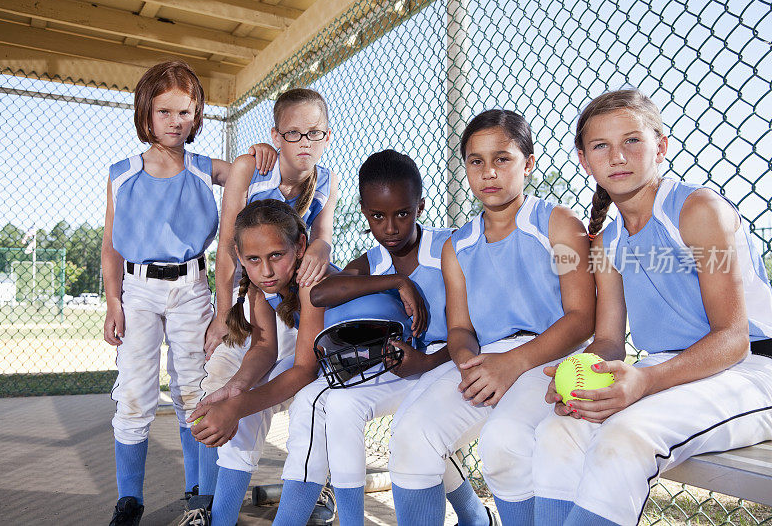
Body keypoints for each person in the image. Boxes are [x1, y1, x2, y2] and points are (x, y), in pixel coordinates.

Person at [531, 89, 772, 526]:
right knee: (558, 431)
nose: (617, 157)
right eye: (600, 146)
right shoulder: (606, 242)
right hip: (673, 367)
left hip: (753, 365)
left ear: (660, 146)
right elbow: (607, 340)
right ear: (585, 161)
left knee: (627, 435)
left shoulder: (697, 210)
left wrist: (646, 381)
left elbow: (734, 338)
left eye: (632, 141)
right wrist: (578, 376)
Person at [388, 110, 596, 525]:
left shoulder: (557, 223)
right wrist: (468, 365)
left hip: (551, 354)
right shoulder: (457, 245)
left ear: (528, 163)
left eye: (502, 158)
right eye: (475, 161)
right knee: (411, 433)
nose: (488, 172)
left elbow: (582, 319)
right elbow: (460, 328)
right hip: (488, 356)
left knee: (504, 442)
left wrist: (513, 364)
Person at [273, 149, 495, 526]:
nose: (390, 228)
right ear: (364, 212)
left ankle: (474, 516)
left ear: (421, 206)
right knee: (338, 405)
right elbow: (320, 293)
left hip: (451, 361)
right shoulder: (376, 260)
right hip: (402, 364)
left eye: (401, 214)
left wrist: (426, 362)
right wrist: (395, 280)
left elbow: (482, 329)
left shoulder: (449, 248)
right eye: (378, 216)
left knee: (421, 432)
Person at [101, 60, 274, 526]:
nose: (175, 121)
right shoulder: (122, 174)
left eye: (185, 111)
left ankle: (199, 492)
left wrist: (257, 151)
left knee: (193, 389)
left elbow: (246, 172)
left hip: (192, 286)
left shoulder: (202, 169)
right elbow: (110, 248)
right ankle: (129, 500)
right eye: (164, 112)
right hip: (137, 290)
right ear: (146, 115)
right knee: (135, 390)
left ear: (197, 115)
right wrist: (113, 300)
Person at [194, 87, 338, 504]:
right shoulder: (250, 168)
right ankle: (205, 502)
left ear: (327, 137)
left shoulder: (326, 180)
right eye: (294, 134)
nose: (305, 143)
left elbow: (324, 236)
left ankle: (316, 485)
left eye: (315, 133)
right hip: (249, 300)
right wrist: (223, 313)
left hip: (296, 306)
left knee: (306, 398)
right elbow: (226, 247)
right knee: (219, 383)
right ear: (276, 136)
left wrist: (321, 247)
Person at [184, 199, 337, 526]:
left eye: (275, 256)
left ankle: (318, 486)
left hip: (360, 363)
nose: (266, 270)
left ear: (299, 247)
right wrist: (235, 389)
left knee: (302, 414)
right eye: (253, 259)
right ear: (240, 257)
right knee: (244, 403)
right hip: (323, 361)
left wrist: (237, 407)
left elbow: (305, 370)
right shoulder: (259, 285)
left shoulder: (311, 280)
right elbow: (265, 347)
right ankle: (221, 520)